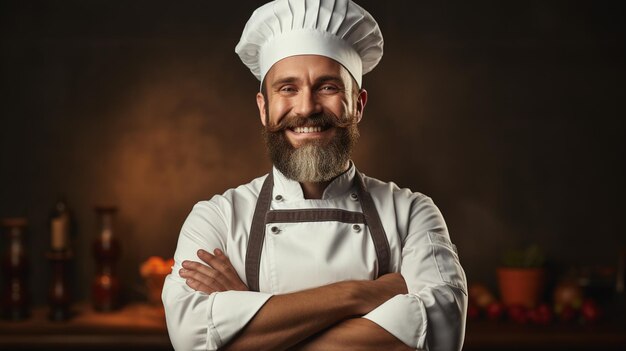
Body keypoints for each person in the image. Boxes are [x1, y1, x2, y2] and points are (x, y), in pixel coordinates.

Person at [162, 0, 467, 350]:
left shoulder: (412, 213)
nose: (306, 108)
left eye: (328, 87)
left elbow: (441, 332)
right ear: (264, 108)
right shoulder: (216, 217)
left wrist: (250, 323)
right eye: (287, 88)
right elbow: (191, 339)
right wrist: (359, 295)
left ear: (358, 105)